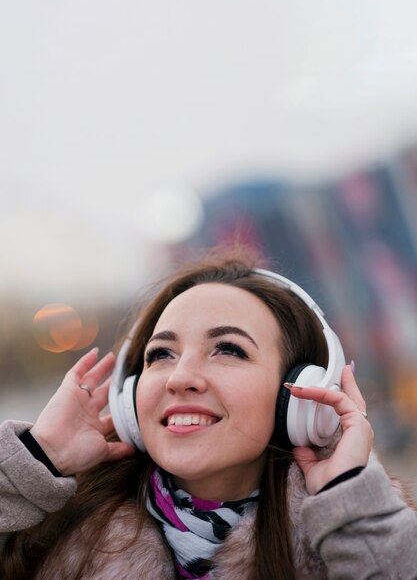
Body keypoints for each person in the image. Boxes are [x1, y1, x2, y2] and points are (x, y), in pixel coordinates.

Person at [1, 245, 417, 580]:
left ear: (306, 393)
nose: (179, 378)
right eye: (160, 354)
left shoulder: (360, 537)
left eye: (229, 349)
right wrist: (38, 458)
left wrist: (351, 505)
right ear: (129, 397)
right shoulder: (53, 533)